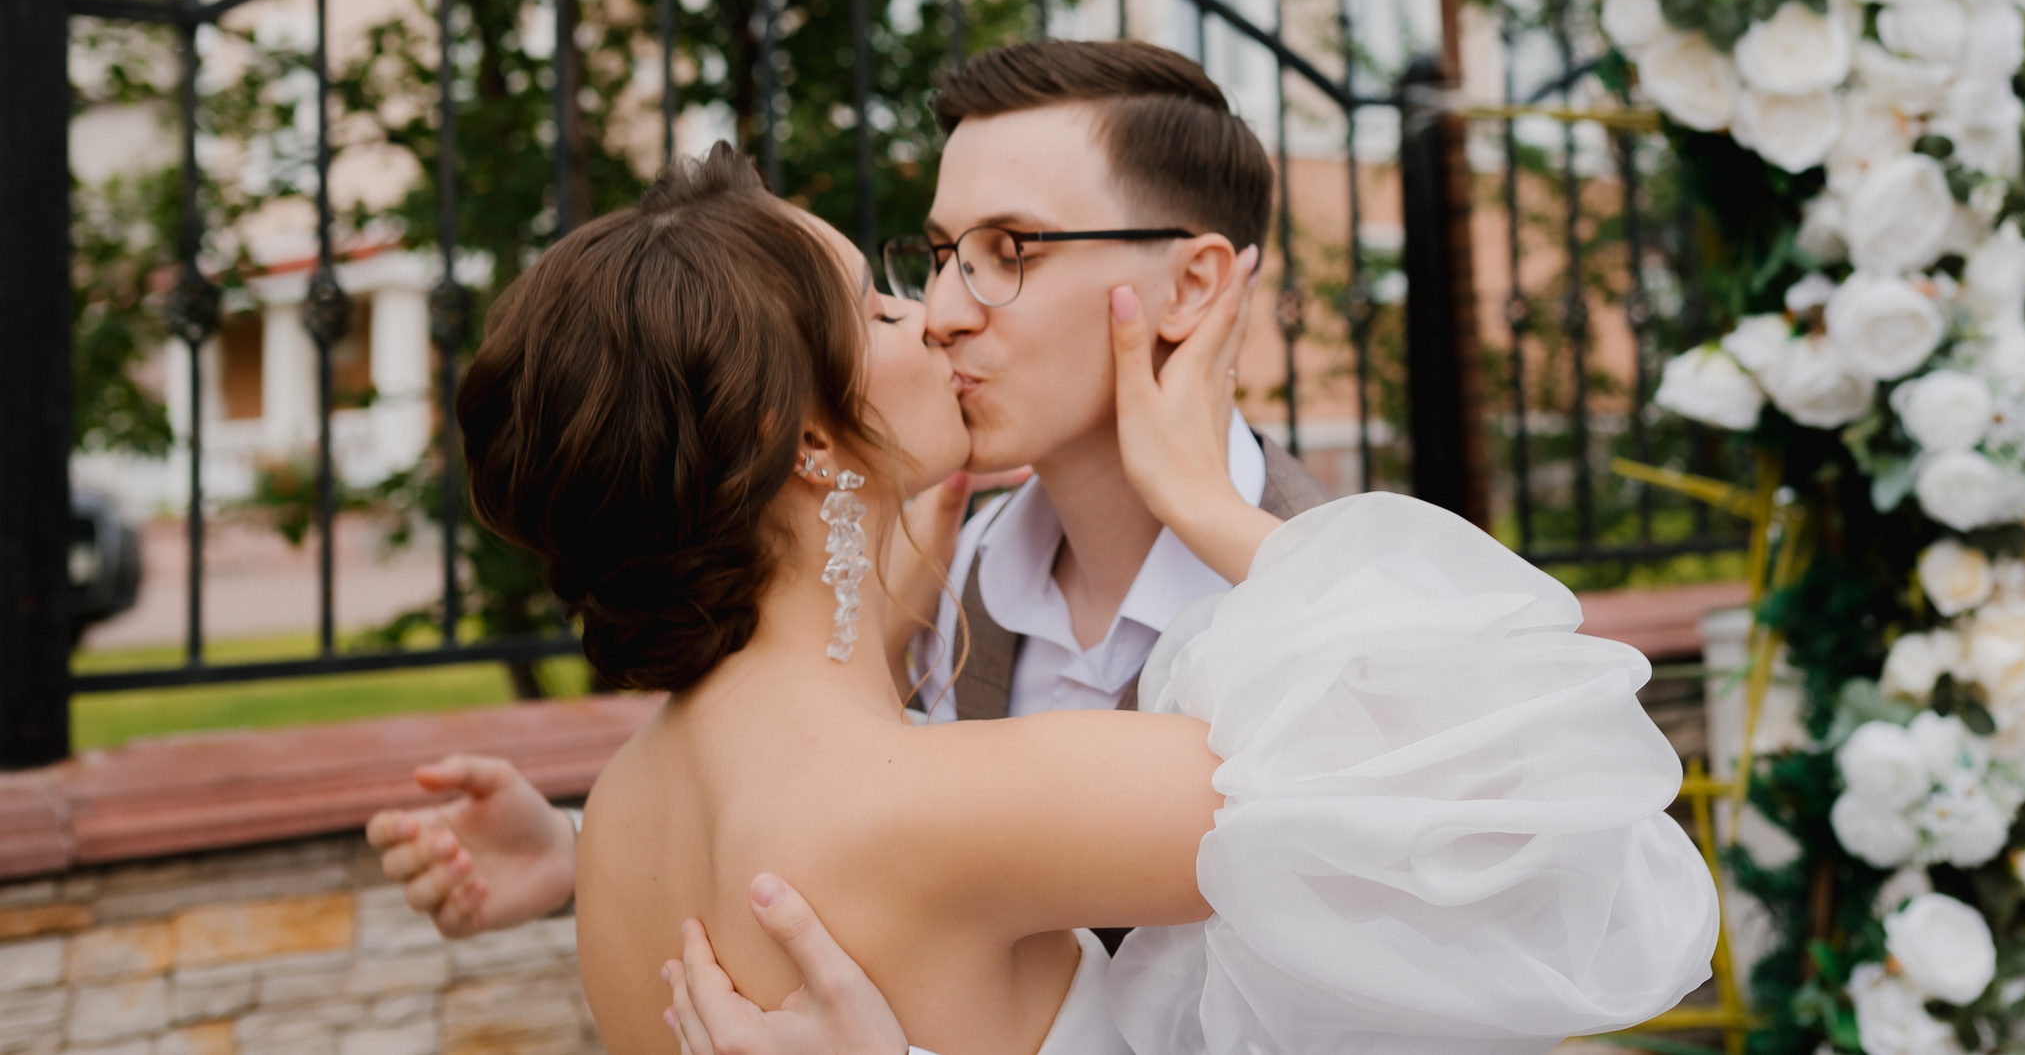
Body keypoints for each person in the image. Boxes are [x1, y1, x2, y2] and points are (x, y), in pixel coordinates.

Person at [455, 142, 1712, 1054]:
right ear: (803, 443)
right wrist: (1204, 500)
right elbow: (1513, 803)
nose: (937, 319)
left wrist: (880, 567)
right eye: (880, 302)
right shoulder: (934, 810)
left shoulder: (613, 829)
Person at [367, 43, 1332, 935]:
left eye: (1011, 253)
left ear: (1196, 284)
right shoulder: (932, 570)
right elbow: (827, 821)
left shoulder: (1353, 611)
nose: (944, 311)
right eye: (943, 255)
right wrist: (588, 858)